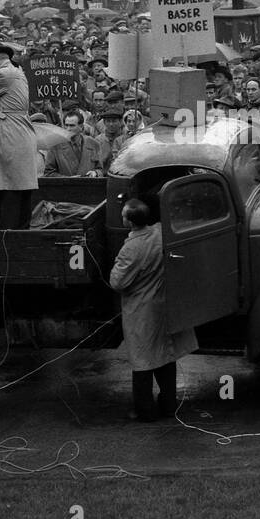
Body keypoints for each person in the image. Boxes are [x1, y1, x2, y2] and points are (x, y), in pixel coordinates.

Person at [108, 197, 197, 422]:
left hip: (141, 312)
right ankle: (168, 407)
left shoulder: (131, 248)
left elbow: (117, 282)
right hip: (163, 305)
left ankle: (145, 411)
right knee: (166, 359)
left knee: (143, 362)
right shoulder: (160, 233)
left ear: (129, 221)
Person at [0, 43, 39, 229]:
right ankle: (20, 230)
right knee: (21, 185)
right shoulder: (17, 72)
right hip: (20, 130)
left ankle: (8, 232)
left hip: (9, 131)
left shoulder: (2, 74)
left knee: (9, 184)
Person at [44, 110, 105, 177]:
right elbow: (48, 173)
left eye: (72, 126)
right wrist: (67, 179)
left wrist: (95, 173)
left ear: (81, 127)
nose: (68, 129)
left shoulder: (93, 144)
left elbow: (101, 170)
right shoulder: (56, 145)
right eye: (66, 125)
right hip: (66, 186)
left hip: (89, 185)